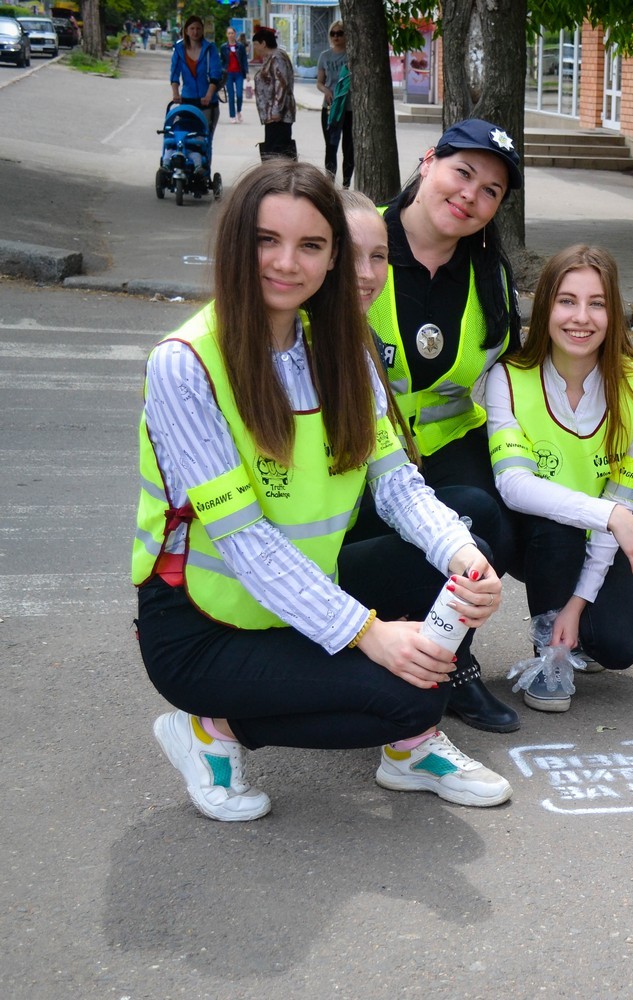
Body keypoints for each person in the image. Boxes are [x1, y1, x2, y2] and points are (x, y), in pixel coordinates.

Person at [134, 160, 516, 822]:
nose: (287, 263)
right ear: (236, 244)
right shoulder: (184, 363)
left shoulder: (341, 350)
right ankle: (209, 730)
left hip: (304, 597)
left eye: (310, 245)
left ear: (331, 257)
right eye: (267, 240)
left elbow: (398, 486)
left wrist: (462, 556)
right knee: (414, 696)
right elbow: (247, 543)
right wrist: (369, 635)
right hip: (202, 626)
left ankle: (408, 748)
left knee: (465, 548)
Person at [367, 117, 525, 731]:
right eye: (463, 172)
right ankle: (384, 639)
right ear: (429, 160)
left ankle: (449, 658)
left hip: (449, 440)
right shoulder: (360, 240)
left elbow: (514, 371)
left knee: (495, 520)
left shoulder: (491, 273)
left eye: (491, 191)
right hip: (359, 449)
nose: (470, 195)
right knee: (441, 534)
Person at [484, 245, 633, 712]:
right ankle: (549, 657)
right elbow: (514, 486)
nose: (581, 317)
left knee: (621, 645)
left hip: (599, 538)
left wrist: (579, 603)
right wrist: (612, 516)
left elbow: (621, 498)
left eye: (597, 303)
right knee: (555, 522)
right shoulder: (508, 377)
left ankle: (575, 628)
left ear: (614, 313)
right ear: (546, 305)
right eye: (567, 301)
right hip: (536, 537)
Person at [169, 15, 221, 137]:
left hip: (207, 103)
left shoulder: (210, 49)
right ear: (186, 31)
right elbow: (174, 73)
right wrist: (175, 93)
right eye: (192, 28)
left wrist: (208, 95)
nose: (195, 32)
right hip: (187, 100)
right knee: (184, 137)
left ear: (202, 30)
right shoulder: (179, 49)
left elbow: (215, 74)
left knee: (203, 139)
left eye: (198, 28)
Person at [317, 21, 354, 187]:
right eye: (333, 33)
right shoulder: (325, 56)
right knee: (331, 147)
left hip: (349, 109)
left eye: (340, 33)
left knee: (349, 149)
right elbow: (319, 82)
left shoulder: (351, 56)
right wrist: (326, 91)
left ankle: (346, 186)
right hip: (330, 108)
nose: (336, 37)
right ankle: (330, 186)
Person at [252, 26, 296, 160]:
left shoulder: (277, 58)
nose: (255, 48)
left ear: (263, 43)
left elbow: (281, 84)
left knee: (277, 154)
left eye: (256, 44)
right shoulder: (271, 58)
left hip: (278, 117)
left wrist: (276, 110)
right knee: (272, 151)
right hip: (272, 116)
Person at [219, 26, 247, 125]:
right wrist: (221, 71)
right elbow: (222, 60)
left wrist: (247, 72)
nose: (231, 35)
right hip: (228, 74)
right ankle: (232, 116)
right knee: (231, 95)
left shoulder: (240, 46)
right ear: (227, 35)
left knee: (239, 95)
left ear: (235, 34)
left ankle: (238, 110)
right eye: (229, 33)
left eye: (232, 33)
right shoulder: (223, 47)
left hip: (239, 73)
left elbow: (244, 60)